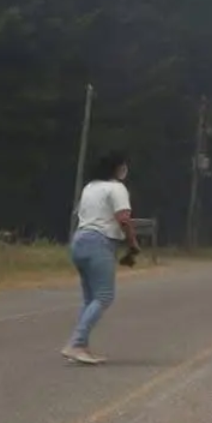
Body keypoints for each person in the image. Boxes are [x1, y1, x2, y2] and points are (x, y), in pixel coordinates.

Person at [63, 150, 138, 365]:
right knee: (104, 296)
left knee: (90, 299)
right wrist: (132, 243)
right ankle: (75, 343)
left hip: (79, 240)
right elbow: (123, 218)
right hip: (100, 242)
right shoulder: (116, 188)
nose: (125, 170)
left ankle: (81, 347)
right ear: (117, 168)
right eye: (123, 165)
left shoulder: (90, 187)